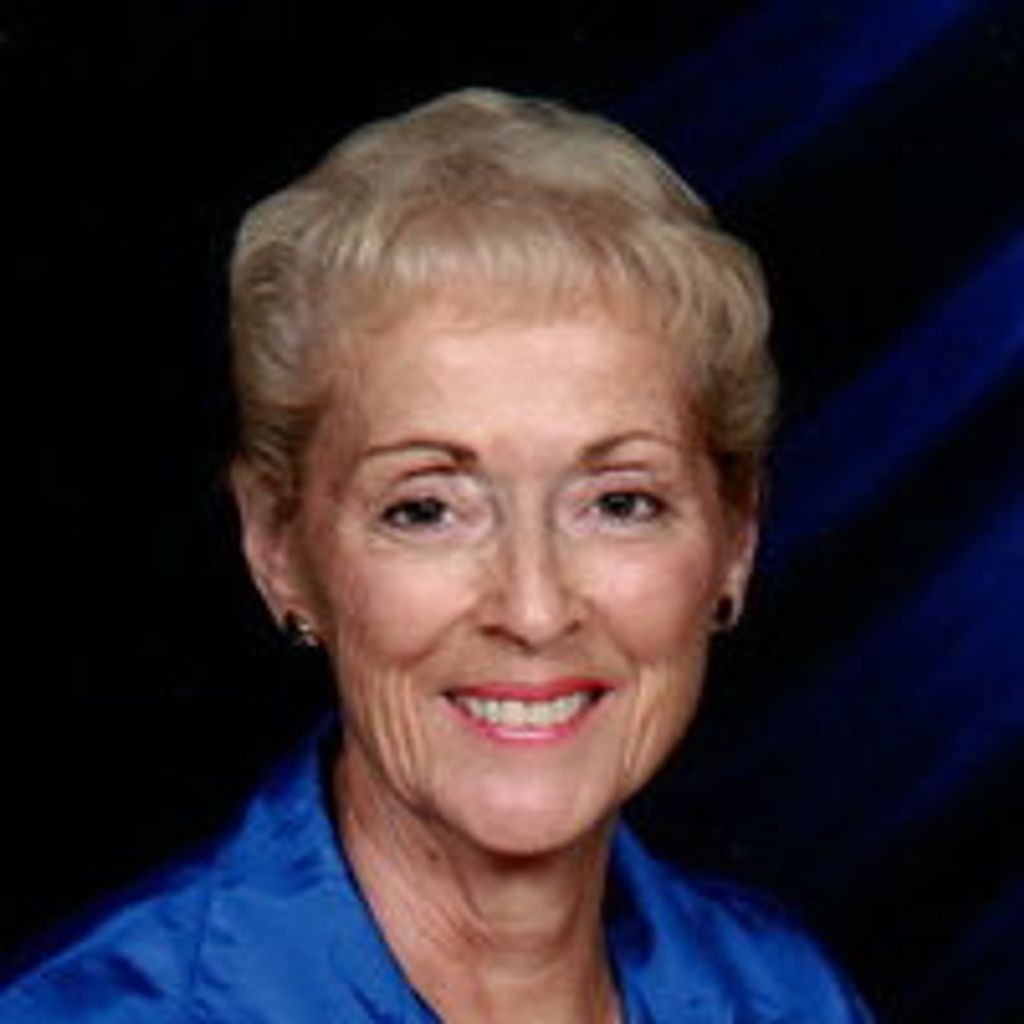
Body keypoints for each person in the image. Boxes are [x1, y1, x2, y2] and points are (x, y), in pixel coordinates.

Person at [0, 88, 873, 1022]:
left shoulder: (788, 998)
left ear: (736, 538)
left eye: (620, 503)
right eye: (426, 510)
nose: (533, 609)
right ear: (278, 547)